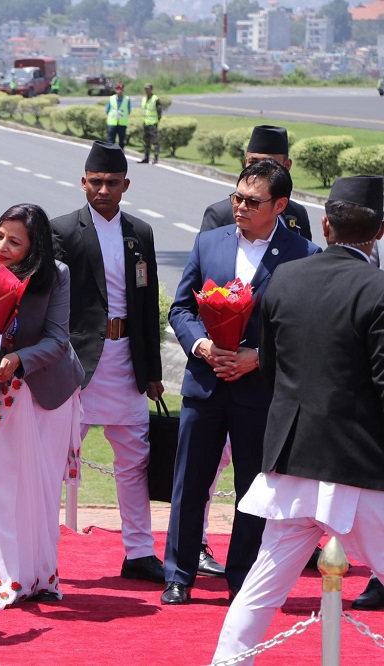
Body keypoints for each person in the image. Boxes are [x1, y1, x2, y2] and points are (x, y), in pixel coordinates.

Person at [212, 175, 384, 663]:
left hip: (291, 461)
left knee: (262, 586)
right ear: (381, 232)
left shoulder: (286, 278)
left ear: (325, 224)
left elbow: (270, 366)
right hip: (357, 468)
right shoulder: (377, 289)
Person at [163, 160, 320, 605]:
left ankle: (243, 575)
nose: (241, 207)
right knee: (190, 482)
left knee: (253, 490)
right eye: (237, 198)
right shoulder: (208, 242)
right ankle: (179, 573)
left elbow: (305, 328)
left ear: (280, 204)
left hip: (258, 391)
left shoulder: (302, 254)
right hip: (205, 384)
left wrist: (257, 359)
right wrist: (202, 347)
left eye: (253, 201)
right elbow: (181, 310)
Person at [0, 204, 85, 609]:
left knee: (40, 492)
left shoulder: (55, 276)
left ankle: (37, 576)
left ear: (34, 246)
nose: (2, 246)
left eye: (14, 241)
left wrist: (16, 360)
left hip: (44, 397)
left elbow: (57, 339)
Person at [49, 141, 166, 584]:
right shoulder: (62, 230)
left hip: (127, 363)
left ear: (125, 185)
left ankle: (139, 551)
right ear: (82, 182)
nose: (102, 189)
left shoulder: (141, 233)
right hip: (78, 365)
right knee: (56, 461)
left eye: (111, 183)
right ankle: (44, 552)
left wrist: (152, 371)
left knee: (134, 462)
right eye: (95, 182)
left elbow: (148, 302)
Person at [199, 125, 312, 241]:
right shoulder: (220, 214)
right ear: (245, 162)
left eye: (268, 163)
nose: (259, 169)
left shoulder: (296, 213)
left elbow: (307, 257)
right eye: (253, 162)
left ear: (287, 166)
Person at [138, 83, 162, 165]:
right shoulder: (144, 98)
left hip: (153, 123)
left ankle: (155, 157)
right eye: (145, 89)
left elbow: (159, 111)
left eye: (148, 89)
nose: (146, 90)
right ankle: (146, 157)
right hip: (146, 122)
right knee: (146, 141)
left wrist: (157, 119)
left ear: (151, 89)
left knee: (155, 141)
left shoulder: (155, 99)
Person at [105, 82, 131, 149]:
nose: (120, 91)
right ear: (116, 90)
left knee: (121, 142)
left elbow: (129, 110)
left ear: (123, 90)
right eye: (118, 89)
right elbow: (107, 110)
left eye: (121, 89)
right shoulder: (111, 98)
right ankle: (110, 156)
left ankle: (120, 157)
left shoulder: (127, 99)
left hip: (122, 123)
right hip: (112, 123)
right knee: (110, 141)